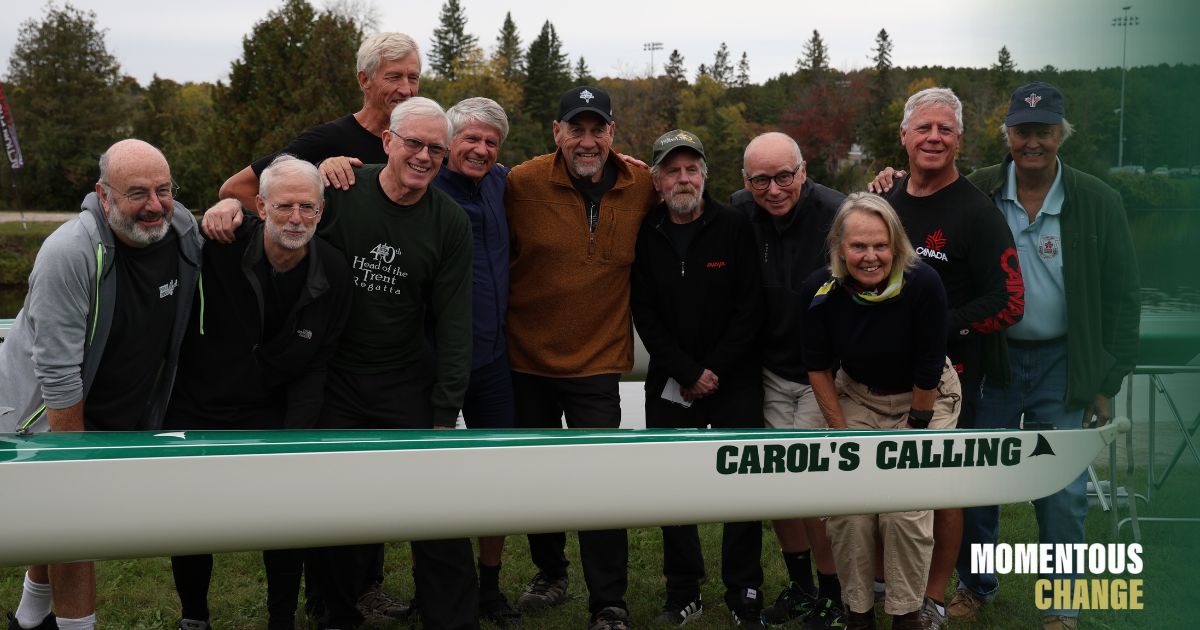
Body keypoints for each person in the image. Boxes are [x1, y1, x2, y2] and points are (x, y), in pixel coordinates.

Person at [204, 97, 477, 630]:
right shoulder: (342, 191)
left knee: (437, 505)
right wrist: (227, 207)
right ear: (387, 142)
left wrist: (446, 410)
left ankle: (452, 618)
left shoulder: (448, 222)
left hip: (403, 378)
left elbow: (454, 322)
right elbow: (282, 214)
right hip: (332, 375)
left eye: (436, 150)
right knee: (332, 502)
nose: (423, 157)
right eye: (413, 144)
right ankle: (337, 610)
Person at [213, 31, 420, 624]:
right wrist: (228, 209)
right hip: (321, 337)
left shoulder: (413, 140)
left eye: (413, 78)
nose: (404, 88)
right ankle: (321, 593)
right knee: (322, 480)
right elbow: (245, 190)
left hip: (384, 342)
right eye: (394, 78)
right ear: (364, 80)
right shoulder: (330, 139)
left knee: (372, 478)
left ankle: (365, 585)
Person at [951, 82, 1141, 630]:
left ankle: (1062, 605)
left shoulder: (1098, 200)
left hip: (1064, 364)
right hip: (993, 360)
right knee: (979, 484)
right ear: (1007, 134)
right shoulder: (978, 190)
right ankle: (975, 586)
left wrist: (1107, 381)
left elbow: (1125, 299)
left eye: (1044, 131)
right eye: (1022, 131)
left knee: (1061, 490)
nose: (1032, 141)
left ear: (1061, 134)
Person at [0, 139, 204, 630]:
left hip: (119, 403)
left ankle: (28, 621)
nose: (155, 205)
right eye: (137, 193)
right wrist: (74, 464)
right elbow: (57, 371)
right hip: (44, 410)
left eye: (163, 190)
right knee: (74, 527)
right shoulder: (67, 252)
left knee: (56, 524)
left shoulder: (183, 230)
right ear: (104, 195)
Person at [163, 155, 351, 630]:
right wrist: (223, 203)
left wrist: (296, 438)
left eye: (307, 207)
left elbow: (319, 362)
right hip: (198, 404)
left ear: (321, 212)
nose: (295, 218)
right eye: (284, 206)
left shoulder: (333, 271)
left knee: (285, 519)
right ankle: (194, 616)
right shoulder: (218, 244)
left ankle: (281, 618)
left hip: (275, 406)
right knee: (192, 519)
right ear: (261, 207)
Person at [870, 87, 1025, 629]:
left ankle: (937, 596)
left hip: (952, 377)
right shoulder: (886, 203)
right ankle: (887, 583)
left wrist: (943, 325)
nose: (934, 137)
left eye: (945, 129)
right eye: (924, 128)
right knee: (884, 487)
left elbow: (1010, 300)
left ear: (959, 139)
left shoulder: (977, 213)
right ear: (905, 137)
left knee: (945, 489)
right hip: (879, 377)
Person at [503, 85, 657, 630]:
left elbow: (694, 202)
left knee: (600, 486)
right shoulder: (520, 183)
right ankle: (550, 572)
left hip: (597, 363)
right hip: (526, 360)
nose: (586, 141)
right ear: (556, 132)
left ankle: (608, 601)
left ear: (613, 134)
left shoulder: (644, 185)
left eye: (598, 129)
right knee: (538, 483)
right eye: (576, 129)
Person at [800, 193, 961, 630]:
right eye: (858, 246)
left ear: (896, 245)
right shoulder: (822, 290)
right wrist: (840, 434)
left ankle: (906, 614)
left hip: (925, 397)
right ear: (839, 247)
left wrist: (914, 429)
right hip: (859, 395)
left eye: (880, 245)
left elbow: (930, 362)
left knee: (904, 509)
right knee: (850, 507)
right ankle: (858, 613)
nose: (870, 257)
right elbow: (816, 366)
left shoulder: (924, 283)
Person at [630, 130, 766, 628]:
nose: (682, 178)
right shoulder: (647, 233)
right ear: (657, 179)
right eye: (672, 170)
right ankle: (683, 590)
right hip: (671, 382)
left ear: (705, 175)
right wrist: (686, 372)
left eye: (691, 169)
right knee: (674, 488)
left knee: (743, 488)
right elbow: (645, 314)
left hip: (734, 379)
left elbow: (750, 308)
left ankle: (744, 590)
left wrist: (714, 371)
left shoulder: (734, 226)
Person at [730, 132, 846, 628]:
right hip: (771, 368)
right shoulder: (737, 212)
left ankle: (834, 595)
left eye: (784, 176)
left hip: (826, 370)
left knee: (815, 493)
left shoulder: (838, 213)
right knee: (778, 487)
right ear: (745, 180)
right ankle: (801, 587)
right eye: (761, 179)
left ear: (803, 171)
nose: (773, 188)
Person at [433, 97, 521, 627]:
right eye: (471, 138)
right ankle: (441, 586)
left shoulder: (501, 183)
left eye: (491, 142)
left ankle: (490, 586)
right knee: (436, 478)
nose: (481, 149)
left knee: (498, 474)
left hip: (492, 358)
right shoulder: (423, 182)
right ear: (448, 141)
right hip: (436, 360)